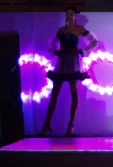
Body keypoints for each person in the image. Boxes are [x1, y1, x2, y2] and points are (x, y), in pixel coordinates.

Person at [36, 7, 97, 137]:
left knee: (74, 93)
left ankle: (70, 127)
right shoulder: (61, 30)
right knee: (54, 94)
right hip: (62, 62)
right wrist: (55, 50)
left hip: (73, 62)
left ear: (75, 16)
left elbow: (94, 42)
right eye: (67, 13)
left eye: (71, 13)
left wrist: (81, 51)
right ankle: (46, 125)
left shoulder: (79, 29)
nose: (68, 15)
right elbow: (53, 43)